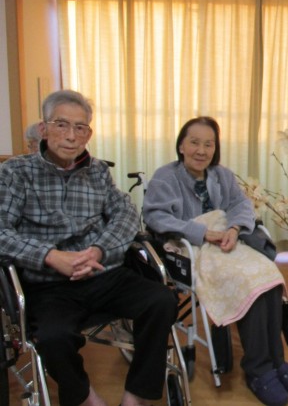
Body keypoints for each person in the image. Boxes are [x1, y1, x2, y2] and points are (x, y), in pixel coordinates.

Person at [0, 90, 178, 406]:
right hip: (49, 285)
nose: (71, 136)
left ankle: (136, 395)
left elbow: (125, 212)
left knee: (162, 300)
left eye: (80, 127)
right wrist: (51, 256)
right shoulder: (15, 172)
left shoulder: (97, 171)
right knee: (54, 337)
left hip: (103, 275)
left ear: (88, 134)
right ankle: (84, 397)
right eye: (61, 124)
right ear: (43, 129)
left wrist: (97, 250)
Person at [143, 116, 288, 406]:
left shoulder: (222, 175)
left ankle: (276, 360)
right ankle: (258, 370)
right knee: (247, 282)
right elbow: (155, 216)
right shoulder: (165, 177)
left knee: (269, 277)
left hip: (228, 241)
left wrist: (233, 229)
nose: (201, 150)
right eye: (194, 142)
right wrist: (202, 232)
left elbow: (241, 205)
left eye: (208, 144)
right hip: (193, 247)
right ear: (181, 145)